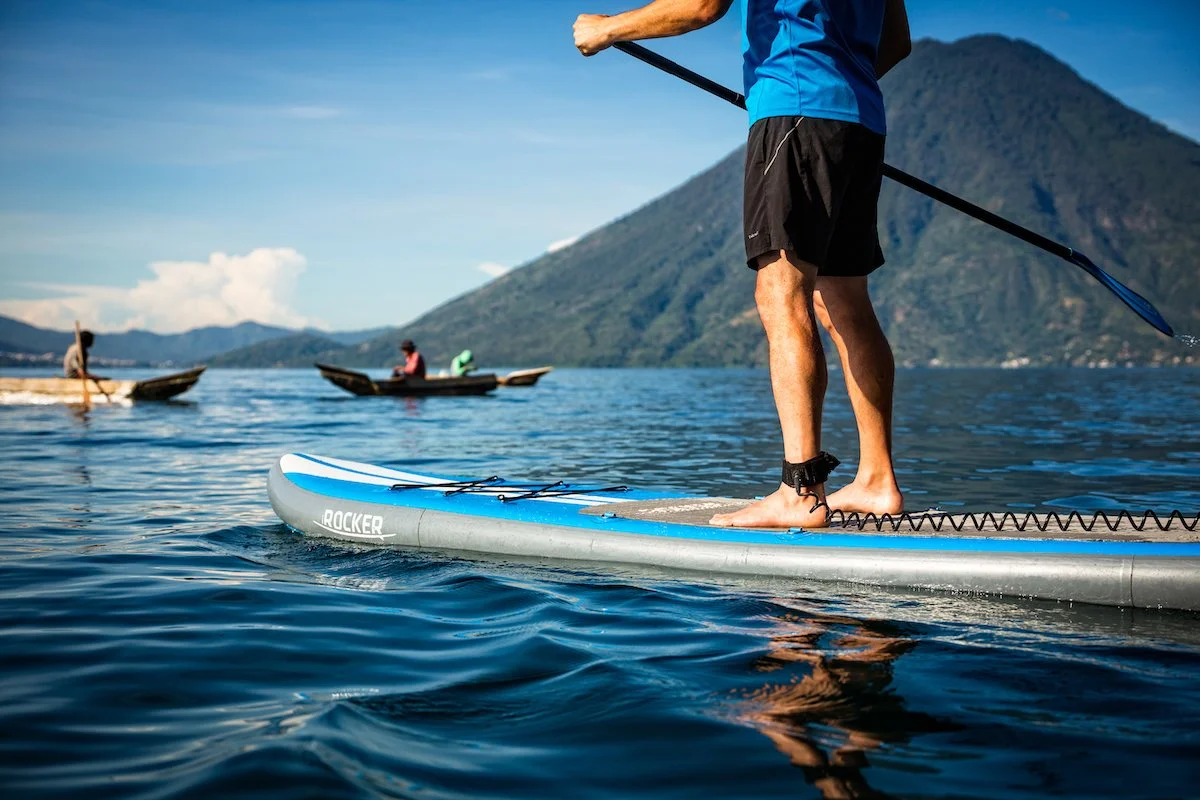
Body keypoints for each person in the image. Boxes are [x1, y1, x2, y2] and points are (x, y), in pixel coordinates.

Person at [574, 0, 911, 529]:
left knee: (783, 294)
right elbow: (896, 42)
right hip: (861, 119)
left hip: (795, 108)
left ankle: (801, 491)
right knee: (844, 299)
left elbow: (702, 6)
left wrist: (608, 29)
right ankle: (876, 480)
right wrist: (838, 76)